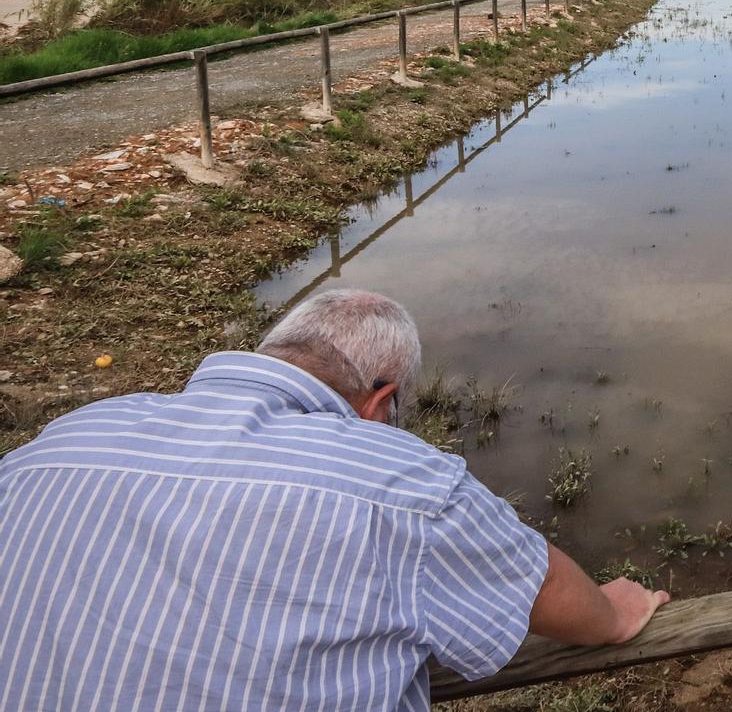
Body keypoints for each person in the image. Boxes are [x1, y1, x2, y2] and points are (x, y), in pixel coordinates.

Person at [0, 289, 667, 710]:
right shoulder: (402, 483)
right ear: (380, 399)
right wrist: (614, 614)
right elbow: (538, 583)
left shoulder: (62, 437)